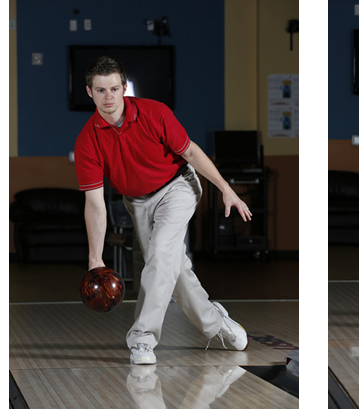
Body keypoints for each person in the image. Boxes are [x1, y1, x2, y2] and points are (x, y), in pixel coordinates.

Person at [74, 56, 251, 364]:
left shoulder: (155, 113)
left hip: (178, 186)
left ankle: (142, 337)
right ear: (89, 92)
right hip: (138, 201)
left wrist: (225, 188)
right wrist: (94, 258)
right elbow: (95, 205)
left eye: (114, 88)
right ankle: (215, 322)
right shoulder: (87, 141)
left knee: (158, 256)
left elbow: (192, 152)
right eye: (100, 90)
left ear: (124, 87)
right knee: (172, 266)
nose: (109, 97)